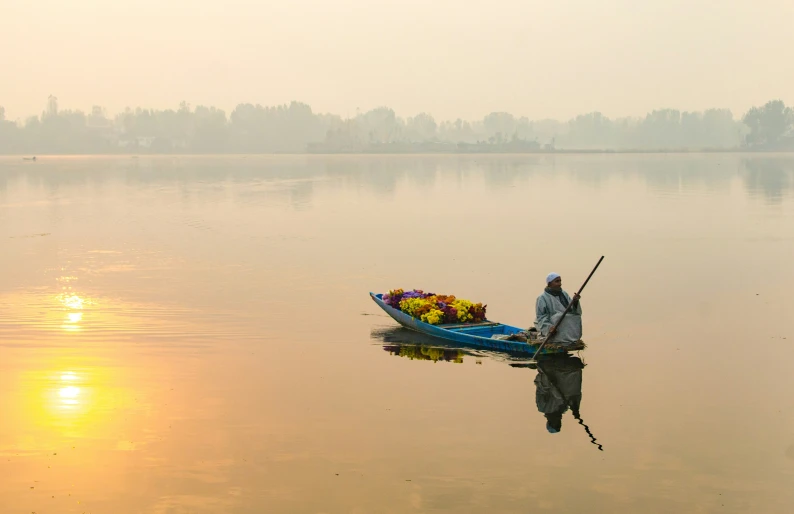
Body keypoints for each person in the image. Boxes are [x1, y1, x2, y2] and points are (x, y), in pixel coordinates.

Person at [534, 272, 582, 342]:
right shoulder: (542, 298)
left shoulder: (564, 294)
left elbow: (573, 311)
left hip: (564, 321)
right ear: (549, 284)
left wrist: (575, 301)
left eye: (560, 281)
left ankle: (571, 339)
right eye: (557, 281)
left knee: (576, 317)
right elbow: (541, 317)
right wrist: (549, 327)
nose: (560, 283)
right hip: (551, 324)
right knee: (559, 316)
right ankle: (558, 339)